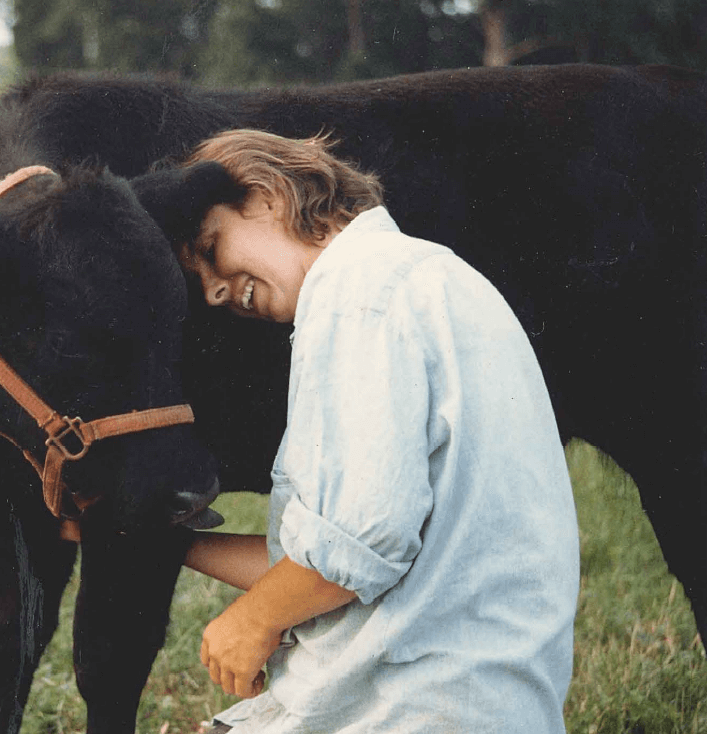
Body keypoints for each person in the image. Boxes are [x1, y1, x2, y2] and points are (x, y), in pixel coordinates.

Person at [164, 129, 580, 733]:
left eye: (210, 247)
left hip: (407, 707)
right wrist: (162, 541)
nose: (213, 288)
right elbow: (321, 564)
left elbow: (355, 549)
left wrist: (252, 620)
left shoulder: (360, 297)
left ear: (266, 196)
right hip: (460, 698)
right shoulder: (419, 274)